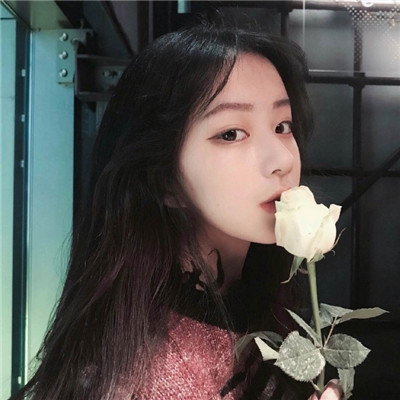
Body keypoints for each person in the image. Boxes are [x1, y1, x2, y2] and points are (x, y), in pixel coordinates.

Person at [10, 22, 343, 400]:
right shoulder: (148, 375)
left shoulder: (251, 301)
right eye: (231, 133)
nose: (282, 159)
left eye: (282, 126)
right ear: (163, 178)